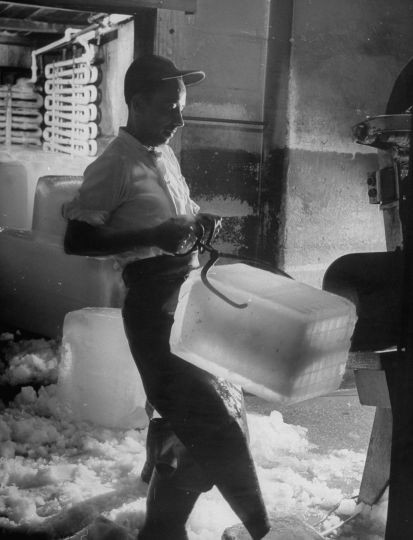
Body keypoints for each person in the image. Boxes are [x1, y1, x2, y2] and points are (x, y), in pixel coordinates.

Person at [63, 55, 271, 540]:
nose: (180, 119)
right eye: (169, 108)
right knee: (210, 420)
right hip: (153, 305)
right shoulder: (114, 164)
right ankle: (257, 528)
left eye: (182, 108)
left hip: (187, 300)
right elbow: (77, 239)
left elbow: (181, 213)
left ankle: (163, 521)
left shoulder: (163, 155)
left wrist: (200, 222)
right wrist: (154, 234)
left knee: (199, 412)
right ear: (137, 104)